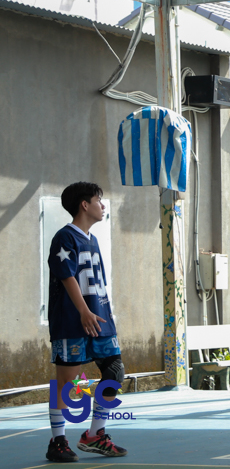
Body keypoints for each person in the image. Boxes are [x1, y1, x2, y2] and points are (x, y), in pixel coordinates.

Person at [47, 182, 128, 462]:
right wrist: (83, 310)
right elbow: (66, 275)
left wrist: (101, 312)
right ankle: (57, 441)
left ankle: (95, 435)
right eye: (98, 200)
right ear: (84, 204)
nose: (102, 206)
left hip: (99, 319)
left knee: (114, 371)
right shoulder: (64, 237)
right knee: (67, 384)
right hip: (72, 321)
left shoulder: (92, 239)